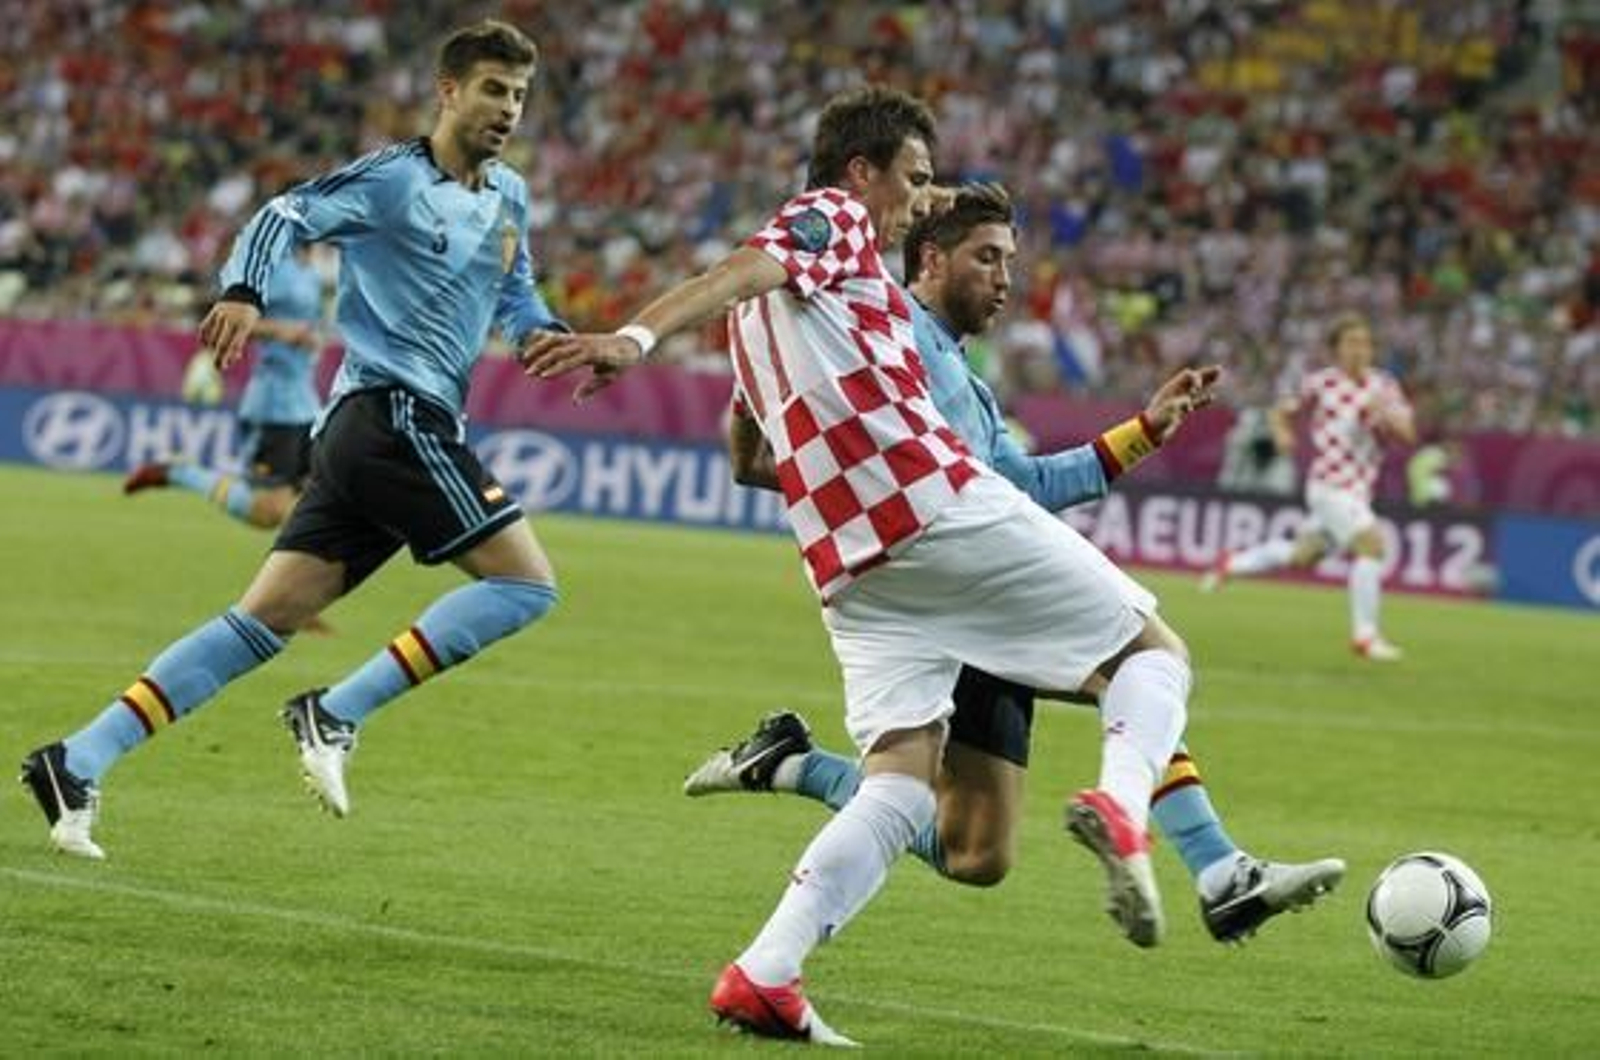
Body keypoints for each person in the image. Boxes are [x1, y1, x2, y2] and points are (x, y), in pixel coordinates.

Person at [526, 86, 1194, 1046]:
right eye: (911, 180)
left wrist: (933, 192)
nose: (917, 203)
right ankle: (1124, 810)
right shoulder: (827, 222)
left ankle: (765, 975)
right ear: (859, 174)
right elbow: (751, 258)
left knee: (900, 784)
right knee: (1151, 655)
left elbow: (754, 459)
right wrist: (634, 337)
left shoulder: (778, 316)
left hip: (852, 569)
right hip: (932, 505)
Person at [684, 183, 1344, 944]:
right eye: (987, 258)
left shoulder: (963, 378)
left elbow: (1022, 486)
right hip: (946, 584)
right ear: (931, 259)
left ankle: (793, 764)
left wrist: (1143, 431)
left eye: (1009, 262)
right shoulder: (880, 325)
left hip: (980, 572)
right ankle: (1220, 872)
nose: (1005, 279)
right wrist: (755, 419)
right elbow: (771, 390)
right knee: (1131, 665)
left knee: (977, 854)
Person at [19, 20, 564, 860]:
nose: (508, 109)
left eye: (520, 95)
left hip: (369, 432)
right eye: (494, 89)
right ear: (448, 90)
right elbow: (283, 213)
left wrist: (546, 335)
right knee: (526, 586)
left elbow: (517, 290)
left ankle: (75, 759)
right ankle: (336, 711)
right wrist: (242, 290)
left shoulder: (510, 197)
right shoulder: (393, 180)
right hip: (392, 414)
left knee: (263, 618)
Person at [1201, 315, 1415, 661]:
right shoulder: (1320, 383)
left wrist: (1387, 415)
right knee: (1372, 546)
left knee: (1304, 555)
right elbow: (1280, 411)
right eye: (1351, 343)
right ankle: (1365, 637)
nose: (1360, 350)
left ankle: (1233, 564)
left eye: (1365, 343)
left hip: (1359, 490)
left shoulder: (1384, 386)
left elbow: (1408, 433)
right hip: (1329, 485)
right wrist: (1283, 432)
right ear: (1336, 350)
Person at [124, 243, 328, 532]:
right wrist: (281, 330)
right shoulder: (273, 267)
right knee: (267, 513)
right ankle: (178, 472)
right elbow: (222, 318)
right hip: (274, 403)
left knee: (318, 506)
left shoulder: (313, 273)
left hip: (306, 404)